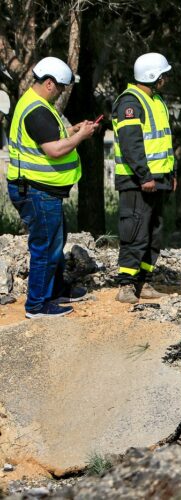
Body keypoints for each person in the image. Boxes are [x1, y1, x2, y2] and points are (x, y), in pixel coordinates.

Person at [7, 57, 97, 318]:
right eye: (60, 88)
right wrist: (80, 137)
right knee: (45, 246)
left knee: (54, 242)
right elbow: (54, 149)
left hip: (42, 190)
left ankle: (56, 290)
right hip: (36, 190)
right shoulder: (36, 110)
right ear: (49, 83)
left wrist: (73, 129)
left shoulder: (37, 105)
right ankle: (37, 304)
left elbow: (51, 136)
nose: (60, 92)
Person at [112, 52, 175, 303]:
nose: (165, 79)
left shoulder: (156, 100)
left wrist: (171, 174)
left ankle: (144, 281)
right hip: (137, 180)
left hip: (158, 178)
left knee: (153, 232)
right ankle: (126, 285)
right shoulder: (131, 102)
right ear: (153, 76)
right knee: (134, 231)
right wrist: (144, 175)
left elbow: (165, 140)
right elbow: (131, 144)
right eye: (163, 75)